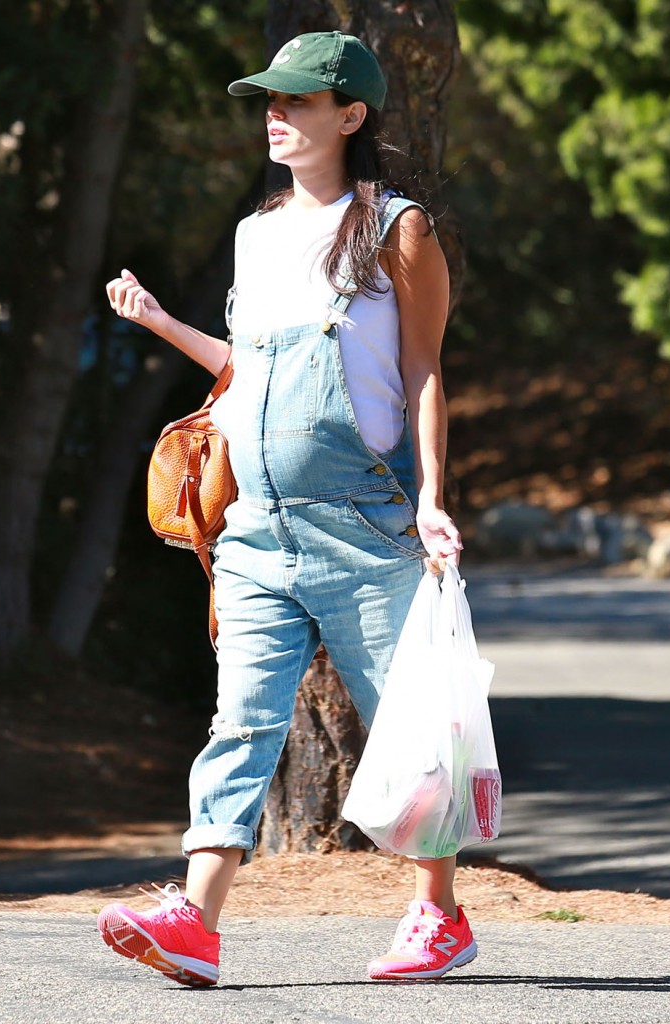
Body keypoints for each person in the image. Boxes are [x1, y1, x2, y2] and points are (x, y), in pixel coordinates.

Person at [97, 30, 476, 986]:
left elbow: (424, 369)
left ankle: (437, 913)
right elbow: (246, 370)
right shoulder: (257, 233)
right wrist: (158, 323)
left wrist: (432, 497)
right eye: (269, 100)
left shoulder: (398, 226)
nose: (276, 114)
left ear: (350, 115)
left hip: (358, 519)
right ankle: (196, 920)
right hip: (253, 527)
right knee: (240, 721)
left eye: (297, 101)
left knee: (410, 725)